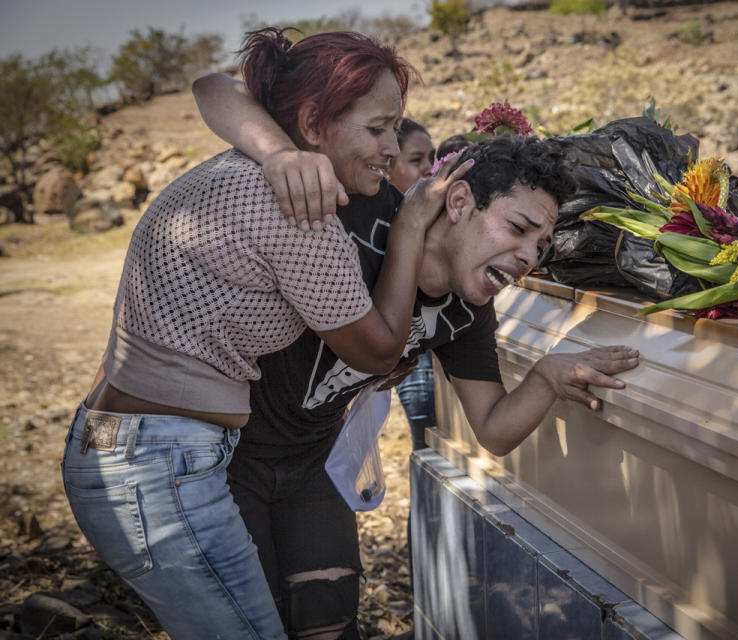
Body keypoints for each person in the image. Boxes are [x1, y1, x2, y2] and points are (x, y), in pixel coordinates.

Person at [193, 79, 641, 640]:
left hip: (308, 467)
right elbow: (215, 89)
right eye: (518, 228)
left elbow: (495, 430)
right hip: (224, 457)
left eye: (540, 245)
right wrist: (280, 155)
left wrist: (548, 374)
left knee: (329, 621)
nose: (529, 256)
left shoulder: (467, 312)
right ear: (458, 203)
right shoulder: (357, 211)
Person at [60, 28, 469, 640]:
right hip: (160, 464)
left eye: (395, 129)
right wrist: (410, 226)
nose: (391, 148)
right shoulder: (301, 215)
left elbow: (214, 86)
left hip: (124, 445)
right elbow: (380, 347)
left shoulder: (243, 165)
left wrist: (279, 151)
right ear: (311, 122)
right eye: (378, 128)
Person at [388, 118, 439, 450]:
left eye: (432, 159)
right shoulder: (379, 223)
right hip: (409, 353)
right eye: (416, 160)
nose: (429, 169)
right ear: (388, 165)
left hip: (435, 347)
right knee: (427, 442)